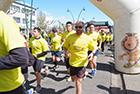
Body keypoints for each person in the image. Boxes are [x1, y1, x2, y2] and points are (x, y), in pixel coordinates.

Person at [0, 10, 35, 94]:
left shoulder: (3, 20)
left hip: (9, 86)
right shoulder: (31, 39)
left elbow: (25, 58)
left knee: (37, 72)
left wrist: (24, 67)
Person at [63, 21, 97, 94]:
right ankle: (84, 74)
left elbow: (94, 48)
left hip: (82, 63)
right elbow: (65, 46)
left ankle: (82, 75)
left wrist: (92, 53)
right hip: (72, 62)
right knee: (73, 79)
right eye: (76, 27)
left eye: (80, 27)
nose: (78, 28)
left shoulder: (88, 38)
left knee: (78, 84)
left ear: (84, 28)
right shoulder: (70, 37)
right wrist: (66, 52)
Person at [28, 27, 49, 93]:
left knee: (37, 72)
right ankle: (45, 69)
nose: (33, 33)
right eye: (33, 31)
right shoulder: (31, 39)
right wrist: (31, 55)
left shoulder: (43, 41)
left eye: (35, 32)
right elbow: (30, 48)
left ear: (39, 33)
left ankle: (38, 85)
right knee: (37, 72)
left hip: (40, 58)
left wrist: (37, 55)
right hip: (33, 57)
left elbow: (45, 52)